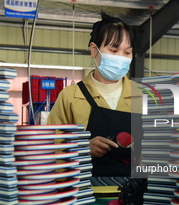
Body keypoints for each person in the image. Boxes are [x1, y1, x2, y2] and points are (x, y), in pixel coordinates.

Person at [47, 12, 142, 177]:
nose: (121, 58)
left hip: (134, 194)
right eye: (113, 50)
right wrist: (82, 149)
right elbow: (49, 150)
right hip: (84, 193)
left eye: (127, 53)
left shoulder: (144, 96)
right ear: (94, 50)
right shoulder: (70, 97)